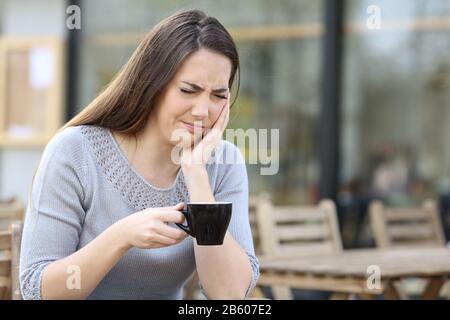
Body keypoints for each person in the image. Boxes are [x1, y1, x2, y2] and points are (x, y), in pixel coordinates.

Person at [19, 9, 259, 300]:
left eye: (218, 95)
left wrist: (197, 178)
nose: (202, 111)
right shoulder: (75, 152)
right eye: (188, 90)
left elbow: (229, 296)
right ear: (152, 83)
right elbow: (38, 291)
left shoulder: (223, 164)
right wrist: (121, 237)